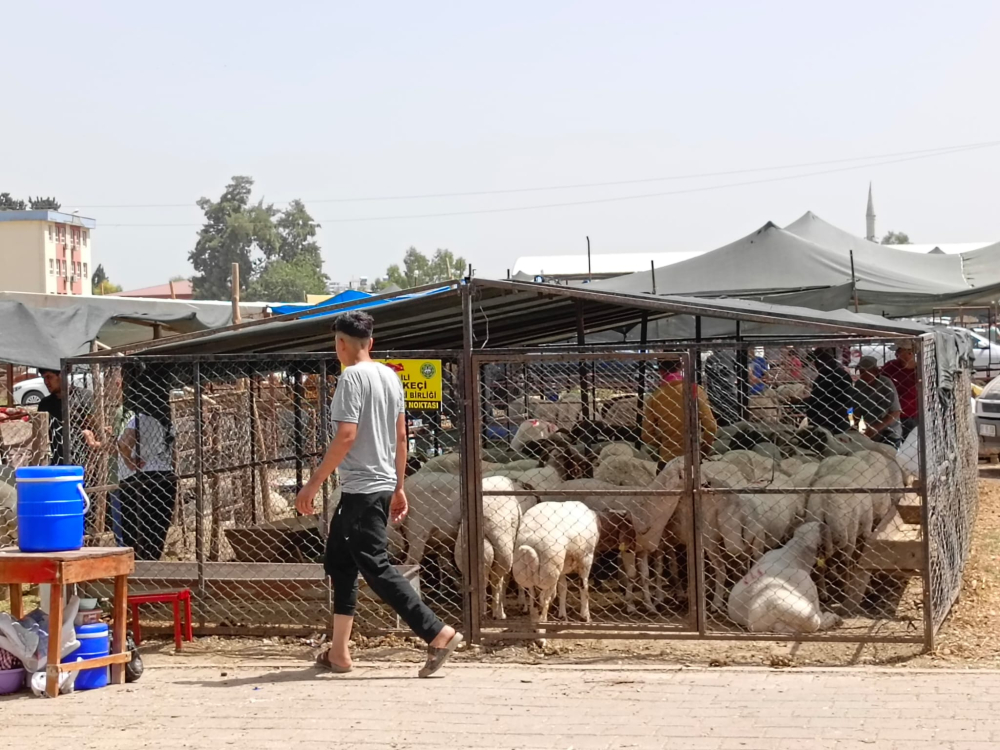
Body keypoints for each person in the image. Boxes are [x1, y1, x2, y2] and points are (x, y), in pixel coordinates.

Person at [296, 310, 462, 678]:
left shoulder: (350, 379)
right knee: (340, 565)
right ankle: (339, 652)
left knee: (376, 567)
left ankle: (437, 632)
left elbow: (346, 436)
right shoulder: (389, 376)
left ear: (340, 344)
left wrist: (313, 484)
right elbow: (401, 436)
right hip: (379, 486)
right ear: (370, 343)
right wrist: (399, 485)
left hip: (361, 491)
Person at [117, 402, 177, 561]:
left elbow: (124, 444)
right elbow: (175, 454)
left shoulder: (139, 419)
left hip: (139, 478)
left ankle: (138, 568)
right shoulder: (167, 422)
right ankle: (152, 564)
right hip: (165, 477)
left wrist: (129, 462)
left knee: (134, 531)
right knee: (156, 530)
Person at [642, 358, 717, 465]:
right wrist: (703, 449)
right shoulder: (694, 390)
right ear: (681, 367)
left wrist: (664, 444)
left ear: (660, 370)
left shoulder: (655, 397)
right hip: (692, 458)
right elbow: (711, 427)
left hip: (667, 460)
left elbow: (646, 435)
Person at [36, 368, 99, 465]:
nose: (46, 382)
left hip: (83, 459)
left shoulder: (82, 396)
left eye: (49, 377)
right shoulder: (45, 404)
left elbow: (96, 426)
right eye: (44, 378)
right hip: (57, 459)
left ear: (61, 375)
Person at [852, 356, 902, 447]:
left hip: (889, 431)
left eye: (868, 372)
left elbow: (895, 411)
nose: (864, 375)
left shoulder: (886, 383)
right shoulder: (859, 385)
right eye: (862, 372)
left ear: (876, 372)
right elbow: (856, 410)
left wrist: (877, 427)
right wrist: (858, 425)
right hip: (869, 431)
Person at [804, 348, 854, 435]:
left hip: (836, 424)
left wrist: (826, 413)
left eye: (819, 361)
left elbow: (846, 403)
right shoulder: (820, 379)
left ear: (828, 360)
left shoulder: (841, 377)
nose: (816, 364)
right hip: (819, 423)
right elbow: (817, 399)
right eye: (816, 361)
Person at [881, 341, 919, 439]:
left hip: (913, 414)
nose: (896, 355)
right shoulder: (891, 367)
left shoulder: (920, 370)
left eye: (899, 352)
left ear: (910, 353)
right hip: (892, 414)